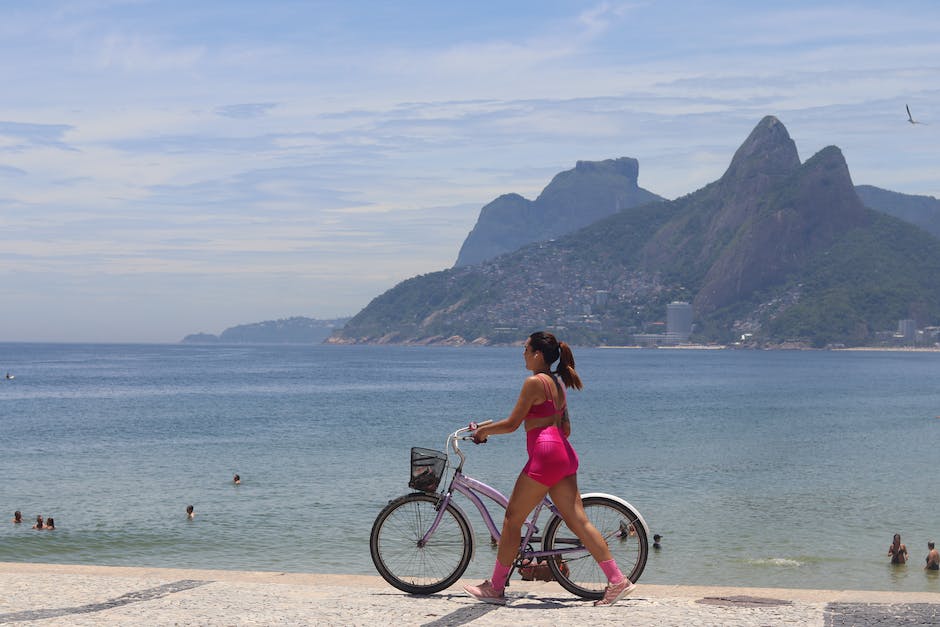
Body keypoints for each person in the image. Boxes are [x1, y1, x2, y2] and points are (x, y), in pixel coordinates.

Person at [464, 331, 636, 607]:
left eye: (526, 349)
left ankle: (495, 587)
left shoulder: (534, 382)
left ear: (537, 355)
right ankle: (617, 580)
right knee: (579, 520)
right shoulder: (558, 384)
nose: (522, 354)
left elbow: (511, 424)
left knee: (512, 520)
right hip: (564, 454)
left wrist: (483, 431)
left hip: (545, 454)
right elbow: (565, 428)